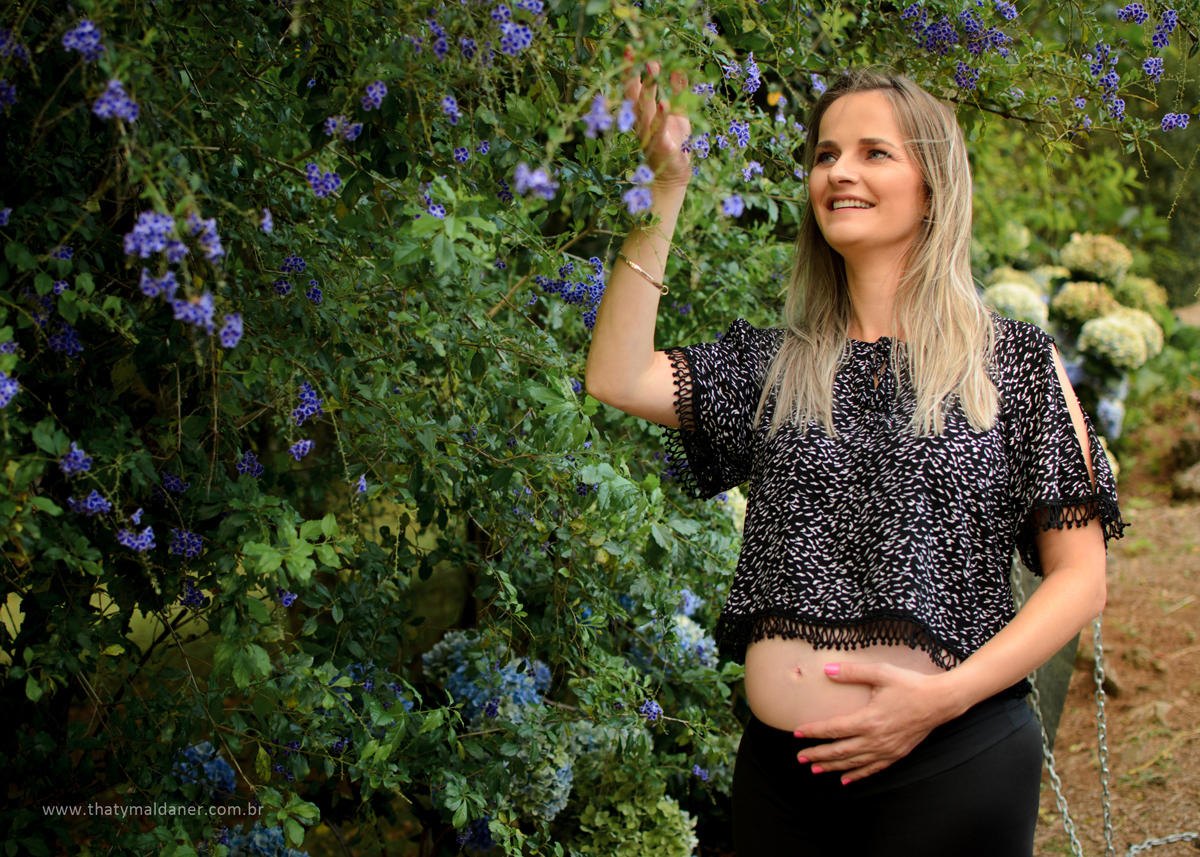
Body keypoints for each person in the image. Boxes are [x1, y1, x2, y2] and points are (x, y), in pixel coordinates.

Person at [585, 56, 1126, 857]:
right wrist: (664, 187)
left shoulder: (1011, 366)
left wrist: (940, 699)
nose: (840, 171)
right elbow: (617, 374)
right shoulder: (779, 367)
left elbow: (1081, 578)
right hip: (782, 779)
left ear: (933, 183)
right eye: (826, 154)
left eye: (875, 152)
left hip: (949, 760)